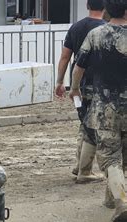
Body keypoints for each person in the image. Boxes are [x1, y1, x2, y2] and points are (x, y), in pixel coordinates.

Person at [69, 0, 127, 222]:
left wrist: (75, 89)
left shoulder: (95, 34)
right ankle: (112, 199)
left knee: (111, 156)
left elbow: (79, 66)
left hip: (105, 107)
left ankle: (120, 201)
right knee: (123, 154)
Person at [55, 0, 106, 183]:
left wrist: (60, 82)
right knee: (92, 126)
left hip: (79, 85)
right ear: (105, 7)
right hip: (100, 86)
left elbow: (65, 57)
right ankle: (85, 171)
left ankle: (80, 165)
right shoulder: (105, 30)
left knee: (84, 122)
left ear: (87, 5)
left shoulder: (76, 27)